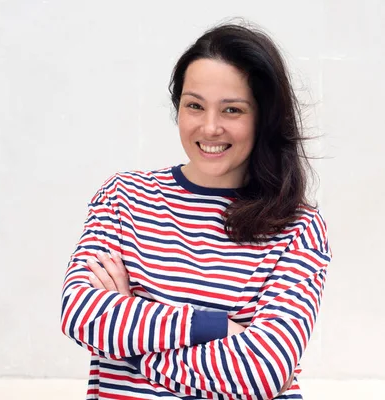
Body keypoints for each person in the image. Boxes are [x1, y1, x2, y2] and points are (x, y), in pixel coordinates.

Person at [60, 21, 331, 400]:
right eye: (194, 106)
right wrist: (214, 326)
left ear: (263, 117)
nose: (210, 127)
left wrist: (126, 342)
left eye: (232, 110)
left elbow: (265, 370)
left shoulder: (297, 226)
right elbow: (81, 315)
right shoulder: (122, 198)